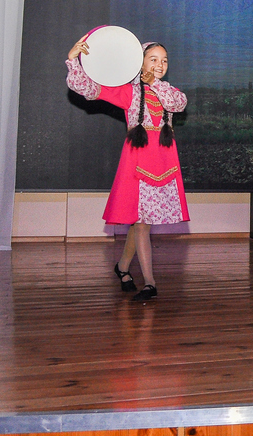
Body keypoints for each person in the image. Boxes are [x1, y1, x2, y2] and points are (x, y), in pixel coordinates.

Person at [66, 37, 188, 301]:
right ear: (140, 61)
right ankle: (150, 283)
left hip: (164, 161)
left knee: (141, 222)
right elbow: (85, 87)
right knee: (142, 223)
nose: (160, 64)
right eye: (153, 59)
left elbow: (178, 104)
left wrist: (154, 82)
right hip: (138, 161)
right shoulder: (130, 92)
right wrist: (73, 59)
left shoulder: (169, 90)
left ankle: (122, 267)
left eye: (164, 60)